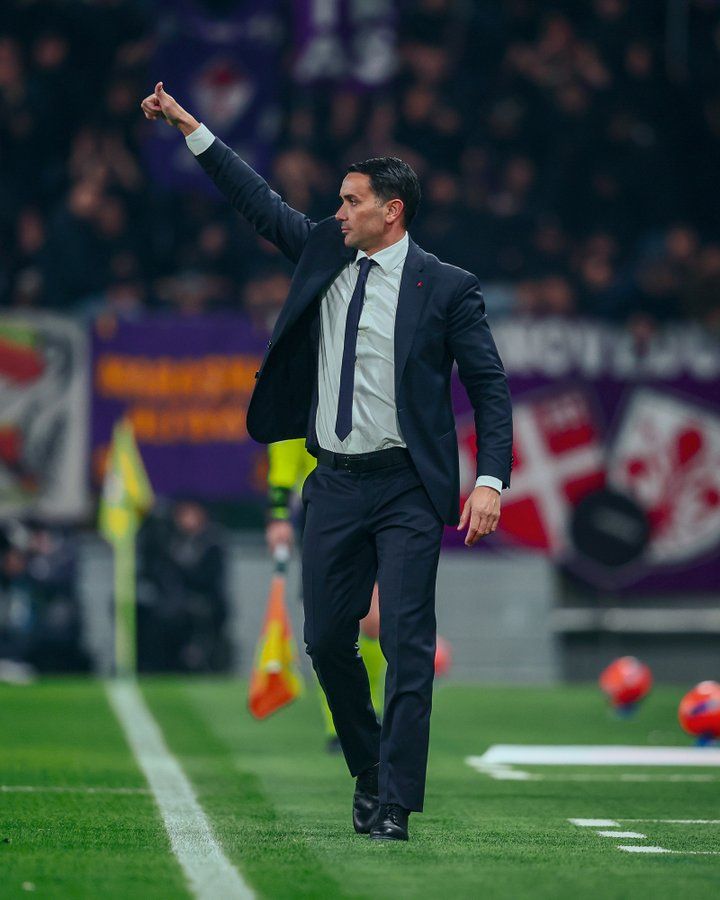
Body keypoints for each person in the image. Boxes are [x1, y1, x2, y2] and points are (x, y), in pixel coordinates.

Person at [142, 82, 513, 841]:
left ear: (391, 210)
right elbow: (256, 201)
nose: (336, 212)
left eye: (349, 201)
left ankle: (396, 806)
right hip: (336, 482)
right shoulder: (322, 250)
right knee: (324, 642)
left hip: (409, 485)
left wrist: (489, 479)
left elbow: (490, 386)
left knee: (408, 644)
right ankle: (369, 767)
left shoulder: (446, 288)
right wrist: (191, 127)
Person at [266, 438, 386, 753]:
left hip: (371, 502)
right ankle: (338, 723)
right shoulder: (308, 394)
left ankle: (370, 708)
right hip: (321, 510)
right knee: (328, 628)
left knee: (374, 621)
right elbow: (285, 449)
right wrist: (279, 513)